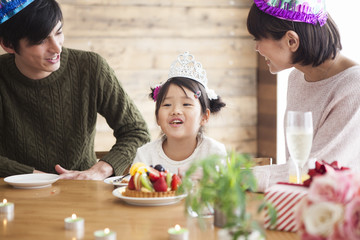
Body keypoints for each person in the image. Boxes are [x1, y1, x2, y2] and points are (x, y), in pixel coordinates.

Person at [0, 0, 150, 179]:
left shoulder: (91, 67)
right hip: (14, 195)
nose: (57, 48)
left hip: (81, 190)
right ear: (8, 45)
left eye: (59, 32)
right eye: (41, 40)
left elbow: (136, 131)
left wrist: (101, 169)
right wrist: (31, 176)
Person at [247, 0, 360, 184]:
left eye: (258, 39)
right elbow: (296, 169)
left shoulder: (354, 87)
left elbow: (316, 172)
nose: (257, 48)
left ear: (291, 41)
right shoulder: (297, 78)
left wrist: (238, 176)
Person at [132, 52, 227, 174]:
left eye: (186, 104)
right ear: (157, 118)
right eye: (167, 104)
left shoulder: (214, 152)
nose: (175, 111)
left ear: (204, 116)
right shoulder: (145, 156)